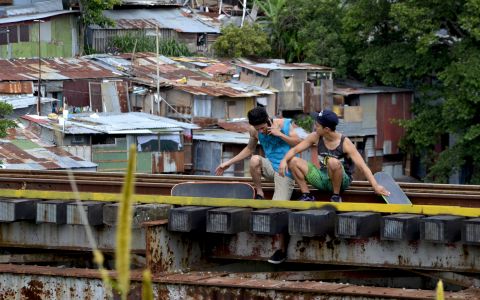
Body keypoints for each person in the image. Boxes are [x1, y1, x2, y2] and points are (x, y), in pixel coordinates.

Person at [279, 109, 390, 202]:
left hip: (341, 181)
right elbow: (295, 150)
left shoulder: (345, 143)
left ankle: (336, 196)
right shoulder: (316, 136)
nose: (314, 128)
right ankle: (307, 195)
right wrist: (284, 160)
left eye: (317, 126)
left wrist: (375, 186)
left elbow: (363, 166)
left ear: (326, 129)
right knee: (293, 160)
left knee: (332, 161)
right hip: (323, 178)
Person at [215, 107, 301, 201]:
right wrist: (228, 163)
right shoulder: (254, 130)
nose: (260, 131)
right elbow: (249, 149)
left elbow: (298, 143)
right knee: (254, 159)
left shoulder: (284, 124)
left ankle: (285, 191)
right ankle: (260, 193)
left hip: (285, 170)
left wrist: (280, 134)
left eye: (262, 128)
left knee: (277, 207)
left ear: (268, 119)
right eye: (257, 129)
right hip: (271, 167)